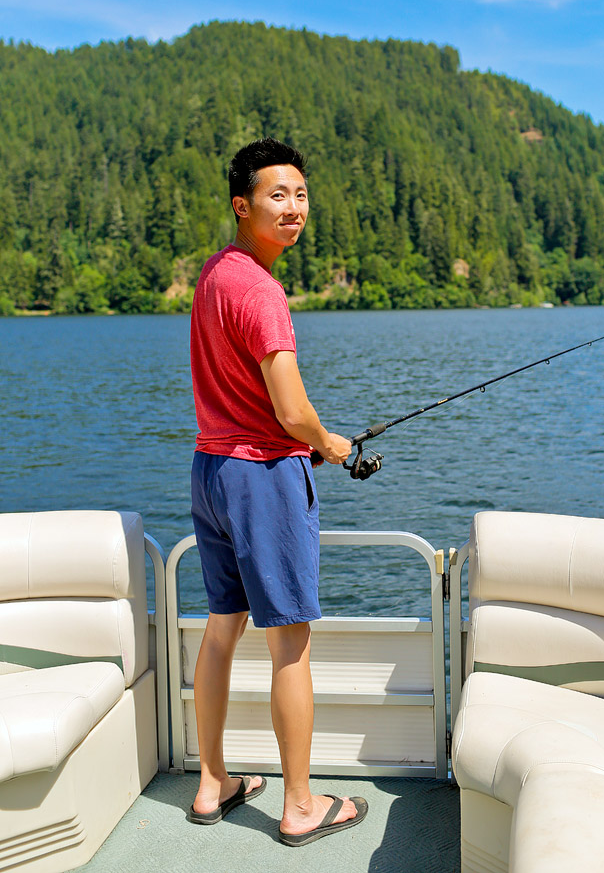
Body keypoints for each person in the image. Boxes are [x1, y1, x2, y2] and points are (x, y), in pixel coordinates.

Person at [187, 137, 367, 846]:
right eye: (277, 196)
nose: (293, 209)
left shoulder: (214, 275)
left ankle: (211, 785)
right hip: (261, 476)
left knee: (222, 628)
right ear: (243, 205)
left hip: (210, 472)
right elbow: (291, 412)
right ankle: (299, 806)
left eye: (300, 195)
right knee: (290, 644)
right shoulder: (261, 289)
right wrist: (330, 446)